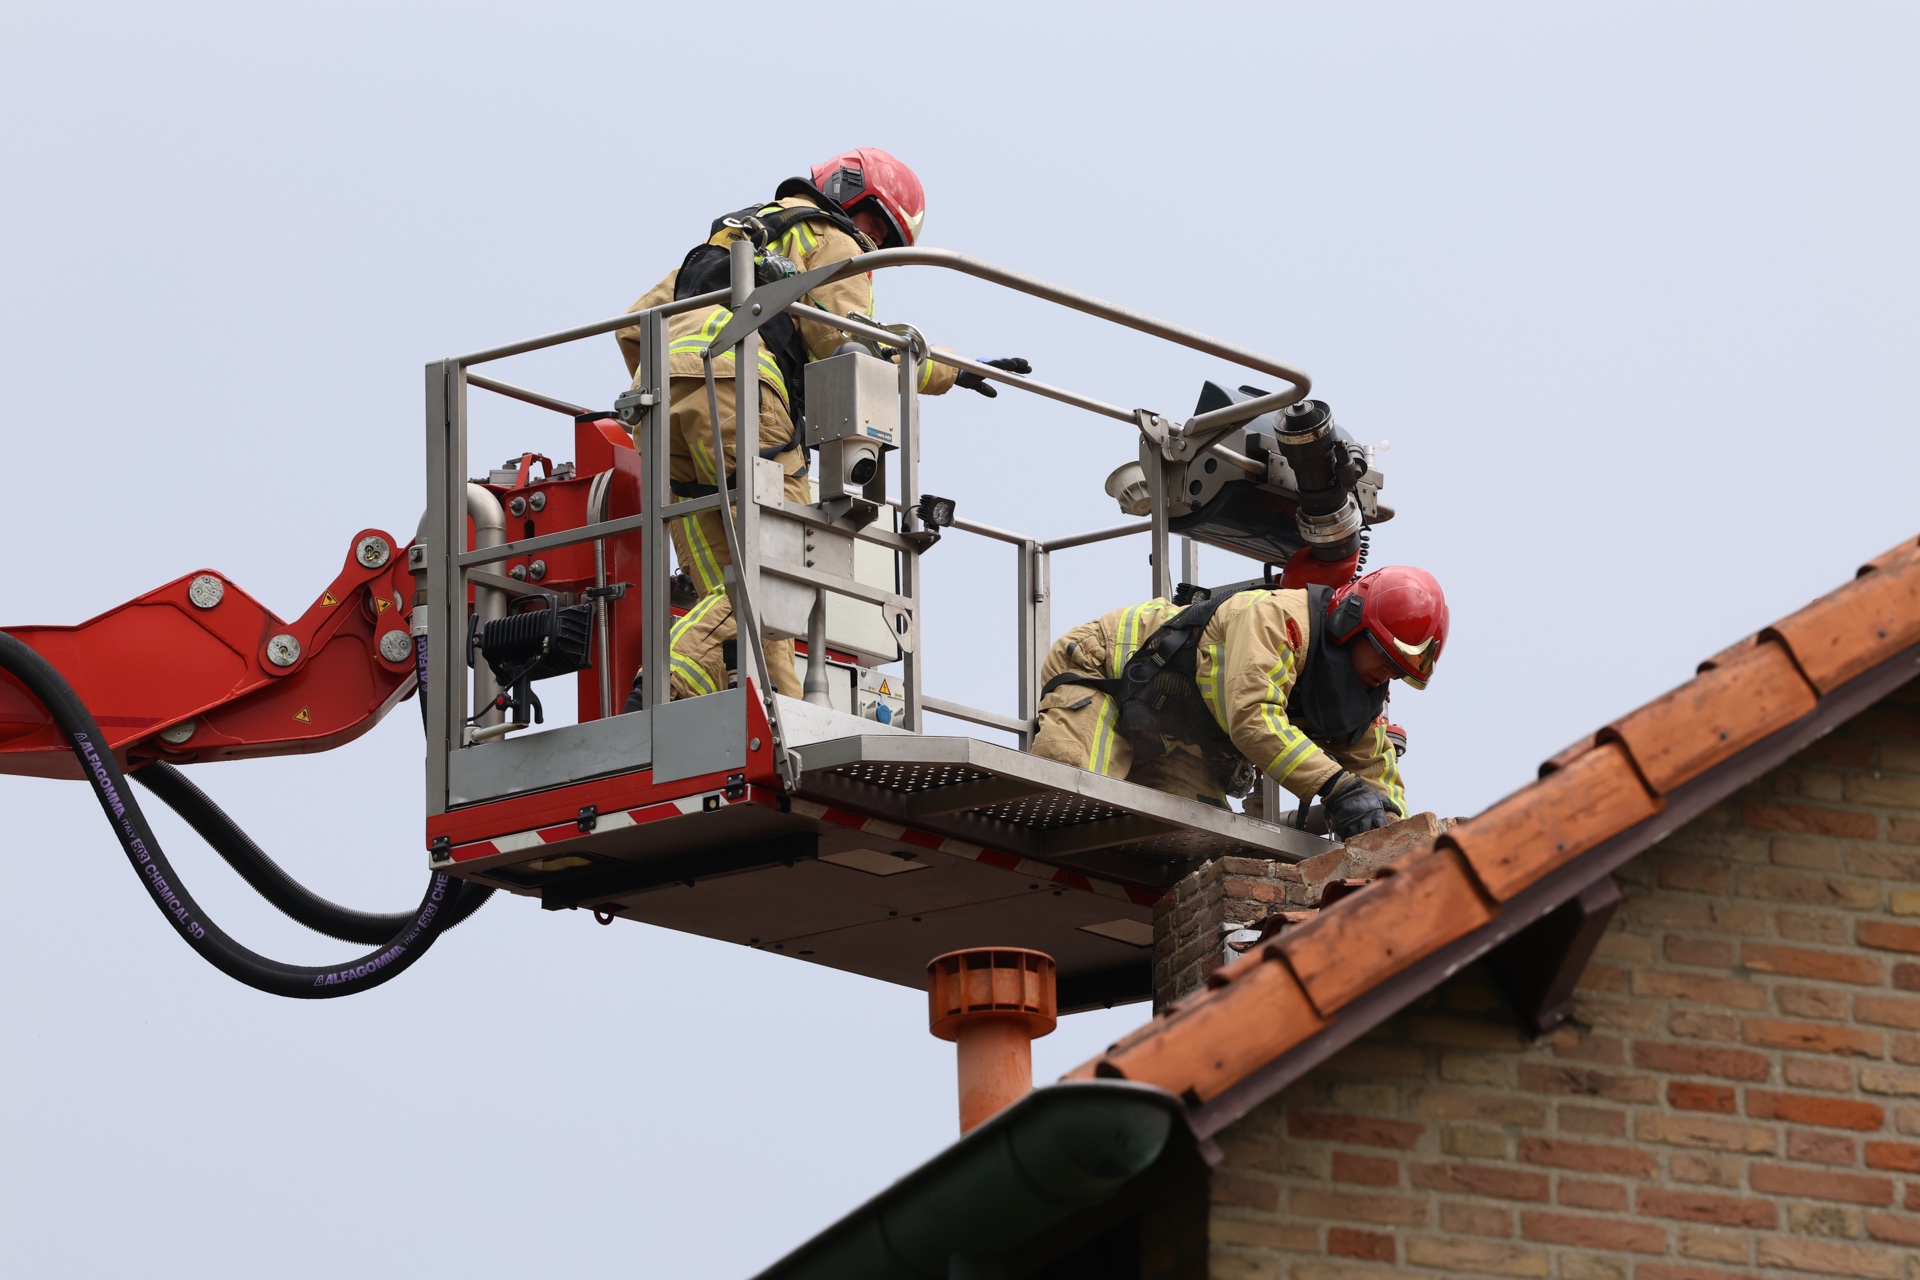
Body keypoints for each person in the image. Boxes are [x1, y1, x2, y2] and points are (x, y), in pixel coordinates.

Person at [615, 147, 1026, 701]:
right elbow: (848, 340)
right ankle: (665, 686)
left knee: (741, 587)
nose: (872, 250)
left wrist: (677, 385)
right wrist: (950, 369)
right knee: (782, 566)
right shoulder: (832, 238)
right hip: (744, 395)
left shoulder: (736, 238)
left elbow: (633, 326)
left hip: (659, 408)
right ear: (857, 205)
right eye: (877, 231)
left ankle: (780, 716)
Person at [1030, 566, 1448, 840]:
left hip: (1173, 732)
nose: (1389, 675)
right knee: (1081, 803)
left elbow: (1375, 773)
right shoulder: (1277, 619)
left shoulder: (1360, 696)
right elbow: (1253, 719)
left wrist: (1395, 836)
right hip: (1106, 671)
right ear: (1351, 624)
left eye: (1400, 671)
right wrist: (1338, 788)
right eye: (1386, 659)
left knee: (1200, 848)